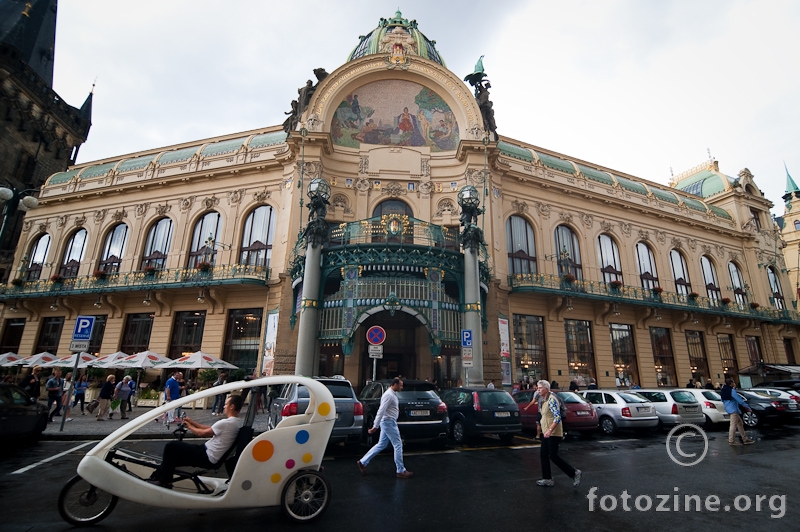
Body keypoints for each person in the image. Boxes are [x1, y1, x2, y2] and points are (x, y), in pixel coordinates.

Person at [149, 395, 244, 488]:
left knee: (171, 446)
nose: (224, 406)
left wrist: (189, 426)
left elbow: (201, 434)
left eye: (226, 404)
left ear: (232, 406)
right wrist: (192, 422)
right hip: (208, 453)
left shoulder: (227, 423)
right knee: (171, 458)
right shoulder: (235, 422)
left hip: (207, 455)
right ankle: (155, 478)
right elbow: (210, 429)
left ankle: (164, 482)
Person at [356, 378, 413, 479]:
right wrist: (375, 426)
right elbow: (381, 410)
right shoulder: (389, 395)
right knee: (398, 444)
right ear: (395, 384)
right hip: (389, 422)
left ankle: (363, 462)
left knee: (381, 444)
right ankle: (400, 470)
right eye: (400, 385)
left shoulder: (391, 394)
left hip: (388, 422)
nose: (402, 387)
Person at [536, 380, 581, 487]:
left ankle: (574, 473)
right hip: (546, 432)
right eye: (538, 388)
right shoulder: (543, 399)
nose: (538, 390)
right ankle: (547, 478)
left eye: (540, 388)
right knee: (543, 455)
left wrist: (550, 430)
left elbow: (557, 417)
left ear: (546, 389)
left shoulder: (552, 400)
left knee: (553, 455)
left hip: (553, 432)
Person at [720, 379, 754, 446]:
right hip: (733, 409)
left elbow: (722, 400)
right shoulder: (732, 390)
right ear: (731, 383)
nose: (734, 383)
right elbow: (739, 400)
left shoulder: (723, 390)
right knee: (733, 425)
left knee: (740, 423)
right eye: (733, 382)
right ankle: (732, 441)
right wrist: (747, 407)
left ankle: (745, 439)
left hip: (728, 408)